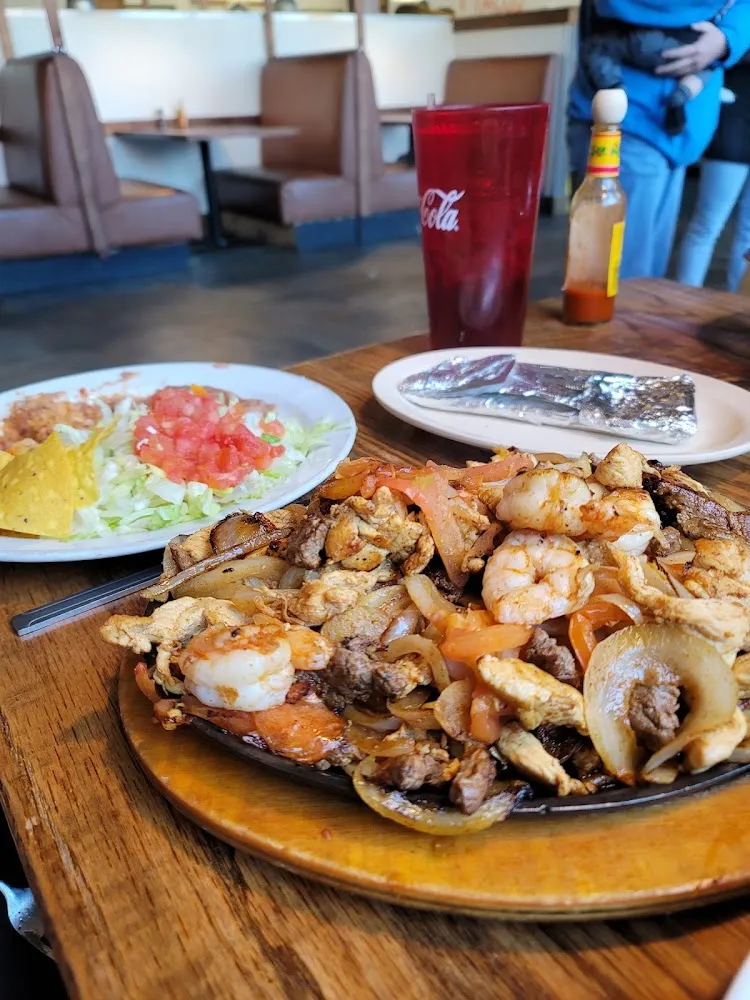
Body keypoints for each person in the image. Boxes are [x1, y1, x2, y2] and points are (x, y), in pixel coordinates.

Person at [568, 1, 750, 281]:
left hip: (677, 133)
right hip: (627, 122)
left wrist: (728, 37)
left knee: (645, 283)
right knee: (616, 284)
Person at [675, 57, 750, 290]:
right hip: (731, 124)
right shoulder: (736, 24)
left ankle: (738, 310)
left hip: (732, 123)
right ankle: (681, 303)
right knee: (707, 226)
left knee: (745, 234)